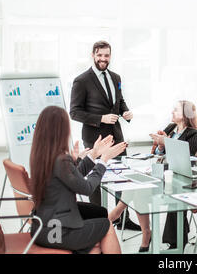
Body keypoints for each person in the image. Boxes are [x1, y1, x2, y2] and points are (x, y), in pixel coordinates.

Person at [29, 106, 126, 254]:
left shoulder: (42, 155)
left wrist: (93, 154)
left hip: (42, 226)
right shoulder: (61, 159)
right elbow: (86, 188)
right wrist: (104, 160)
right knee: (106, 225)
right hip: (56, 232)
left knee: (99, 213)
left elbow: (73, 178)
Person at [108, 100, 197, 252]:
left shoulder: (192, 134)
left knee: (139, 188)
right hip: (160, 174)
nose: (172, 112)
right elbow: (159, 154)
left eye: (176, 110)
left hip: (177, 180)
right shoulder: (171, 128)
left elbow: (186, 155)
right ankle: (144, 231)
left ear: (185, 115)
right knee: (136, 186)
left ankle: (119, 212)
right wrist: (160, 146)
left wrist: (166, 142)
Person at [69, 40, 139, 231]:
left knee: (121, 177)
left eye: (106, 55)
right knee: (96, 181)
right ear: (93, 55)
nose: (103, 59)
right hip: (95, 139)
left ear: (110, 56)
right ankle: (97, 220)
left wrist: (125, 112)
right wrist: (101, 118)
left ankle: (121, 219)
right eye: (99, 55)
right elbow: (74, 112)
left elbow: (119, 100)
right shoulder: (81, 80)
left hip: (116, 136)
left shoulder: (116, 77)